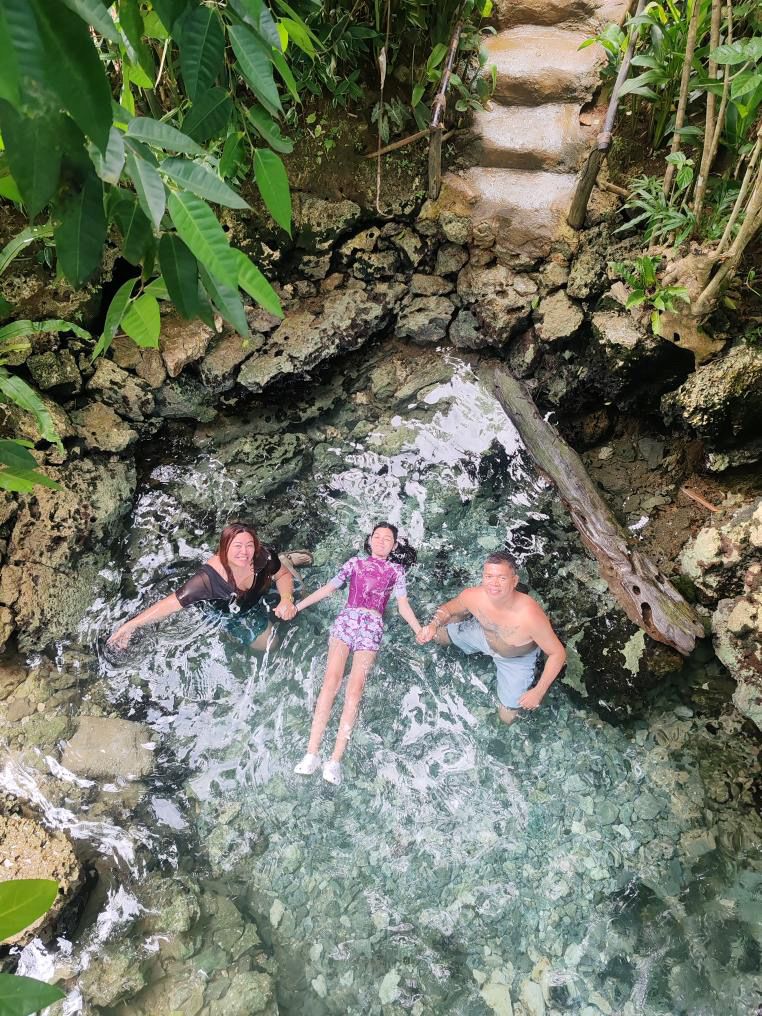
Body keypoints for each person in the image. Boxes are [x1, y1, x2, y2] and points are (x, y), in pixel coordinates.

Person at [293, 522, 422, 786]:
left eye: (388, 539)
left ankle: (335, 760)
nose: (382, 541)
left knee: (355, 689)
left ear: (395, 546)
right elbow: (329, 588)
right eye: (378, 537)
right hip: (347, 620)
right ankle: (311, 753)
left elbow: (403, 605)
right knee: (331, 682)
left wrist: (418, 629)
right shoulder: (354, 564)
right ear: (370, 540)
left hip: (372, 625)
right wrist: (297, 606)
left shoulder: (396, 571)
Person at [417, 550, 566, 725]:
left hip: (515, 658)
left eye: (502, 578)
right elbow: (447, 610)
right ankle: (460, 628)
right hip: (483, 636)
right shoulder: (473, 596)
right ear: (483, 577)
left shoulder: (530, 615)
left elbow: (558, 654)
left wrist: (538, 691)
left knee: (507, 716)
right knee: (438, 636)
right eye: (489, 576)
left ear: (514, 581)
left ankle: (535, 672)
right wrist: (432, 625)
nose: (494, 584)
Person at [107, 522, 306, 651]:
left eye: (249, 546)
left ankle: (284, 559)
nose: (244, 553)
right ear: (223, 549)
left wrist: (286, 599)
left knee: (300, 593)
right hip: (231, 611)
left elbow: (282, 576)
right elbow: (171, 604)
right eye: (237, 546)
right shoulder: (207, 581)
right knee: (271, 645)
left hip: (258, 590)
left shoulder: (262, 556)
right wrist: (130, 625)